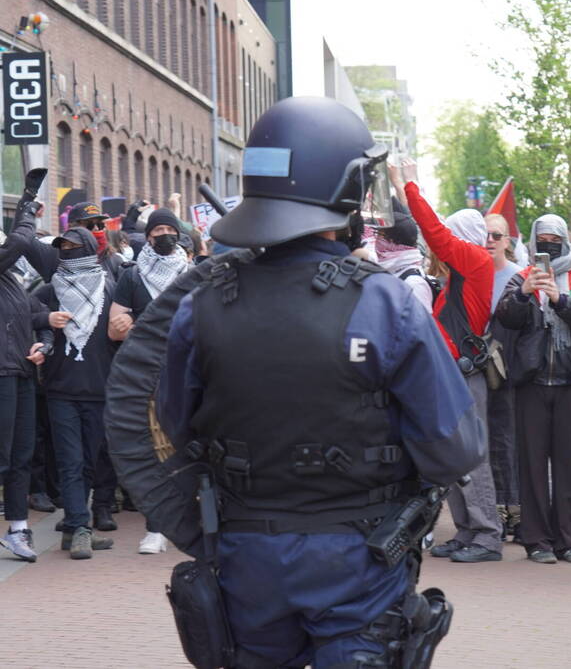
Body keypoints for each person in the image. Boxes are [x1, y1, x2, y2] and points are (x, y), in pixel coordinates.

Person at [156, 96, 485, 667]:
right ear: (347, 187)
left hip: (245, 557)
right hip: (359, 559)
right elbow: (454, 446)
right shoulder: (384, 301)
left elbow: (173, 427)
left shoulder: (203, 303)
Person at [395, 161, 503, 564]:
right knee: (454, 453)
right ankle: (467, 530)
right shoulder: (462, 273)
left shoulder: (474, 261)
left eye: (453, 237)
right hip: (454, 370)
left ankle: (487, 535)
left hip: (464, 373)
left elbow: (435, 234)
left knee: (472, 454)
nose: (445, 245)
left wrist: (408, 186)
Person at [495, 214, 571, 565]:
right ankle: (536, 539)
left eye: (556, 238)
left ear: (566, 241)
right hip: (532, 383)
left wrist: (560, 299)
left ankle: (568, 541)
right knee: (532, 464)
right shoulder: (522, 277)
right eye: (544, 238)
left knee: (566, 464)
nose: (549, 244)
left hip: (568, 382)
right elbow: (505, 316)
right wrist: (525, 295)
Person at [108, 208, 190, 554]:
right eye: (157, 230)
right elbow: (115, 328)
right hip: (146, 376)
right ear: (148, 235)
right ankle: (156, 527)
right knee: (154, 451)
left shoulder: (192, 272)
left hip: (186, 373)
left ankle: (190, 521)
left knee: (186, 446)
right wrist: (140, 330)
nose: (164, 235)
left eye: (171, 229)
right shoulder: (132, 276)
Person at [33, 228, 118, 559]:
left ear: (87, 250)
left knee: (87, 462)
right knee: (69, 459)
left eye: (72, 247)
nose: (66, 252)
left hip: (99, 388)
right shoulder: (50, 290)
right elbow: (23, 312)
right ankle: (81, 527)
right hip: (60, 389)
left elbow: (123, 329)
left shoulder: (110, 289)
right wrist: (43, 326)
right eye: (61, 248)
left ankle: (73, 527)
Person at [0, 193, 54, 562]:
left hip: (20, 372)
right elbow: (19, 241)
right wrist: (27, 211)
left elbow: (42, 316)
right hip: (1, 373)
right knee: (2, 456)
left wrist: (45, 345)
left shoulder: (13, 283)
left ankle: (18, 530)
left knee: (20, 455)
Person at [485, 213, 522, 539]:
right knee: (484, 442)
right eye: (485, 235)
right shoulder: (472, 275)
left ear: (507, 241)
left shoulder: (517, 276)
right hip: (478, 372)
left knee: (509, 440)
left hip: (510, 372)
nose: (490, 240)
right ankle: (493, 509)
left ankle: (515, 509)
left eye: (497, 235)